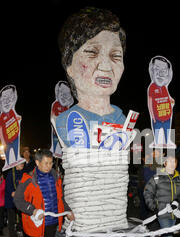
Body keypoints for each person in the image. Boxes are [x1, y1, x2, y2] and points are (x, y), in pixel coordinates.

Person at [54, 7, 127, 147]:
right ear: (69, 66)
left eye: (116, 56)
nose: (106, 66)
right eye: (92, 52)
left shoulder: (122, 119)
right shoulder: (66, 122)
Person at [5, 162, 25, 237]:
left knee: (21, 216)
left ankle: (20, 230)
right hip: (11, 200)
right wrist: (12, 192)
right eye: (21, 164)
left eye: (23, 164)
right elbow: (8, 186)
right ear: (16, 164)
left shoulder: (22, 173)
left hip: (20, 199)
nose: (22, 165)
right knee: (12, 219)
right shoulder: (11, 173)